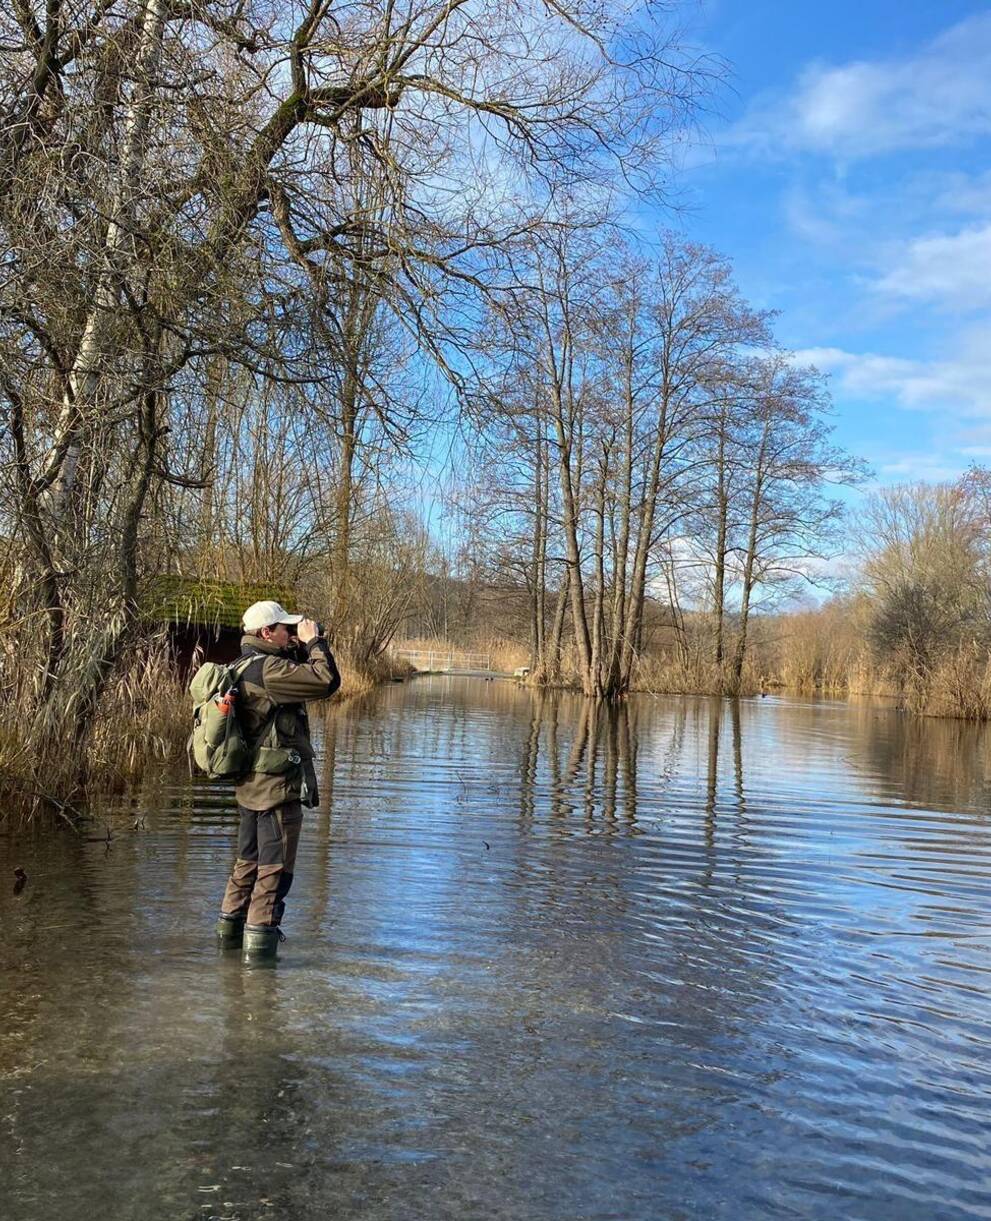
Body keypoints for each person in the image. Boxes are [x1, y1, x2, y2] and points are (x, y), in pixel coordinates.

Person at [216, 599, 341, 954]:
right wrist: (316, 645)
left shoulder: (243, 665)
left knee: (246, 865)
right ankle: (260, 974)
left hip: (249, 788)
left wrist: (300, 645)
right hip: (275, 790)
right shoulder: (271, 671)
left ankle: (227, 947)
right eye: (286, 629)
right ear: (267, 633)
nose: (292, 634)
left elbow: (299, 676)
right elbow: (325, 680)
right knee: (274, 870)